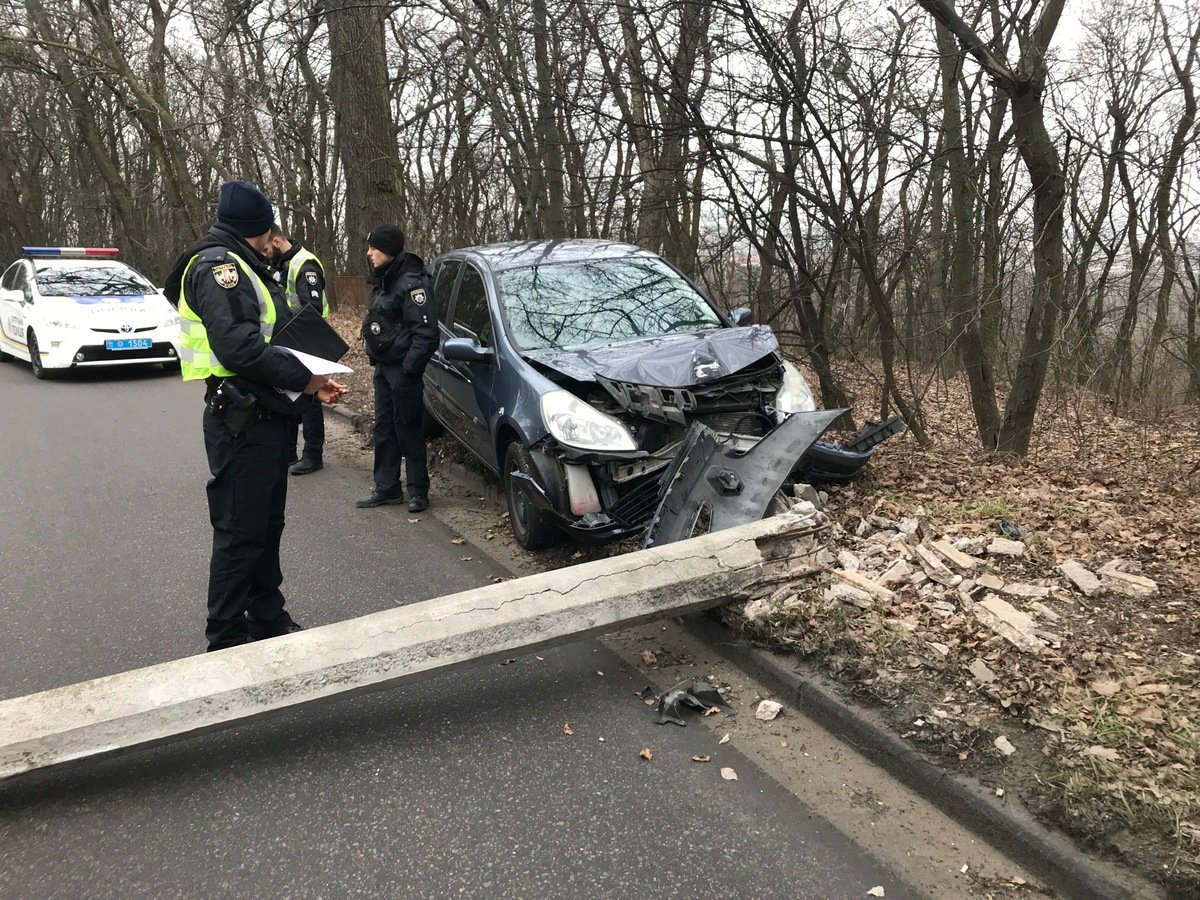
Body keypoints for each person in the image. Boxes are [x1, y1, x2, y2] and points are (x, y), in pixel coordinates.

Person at [164, 180, 346, 652]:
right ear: (258, 228)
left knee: (266, 526)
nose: (273, 240)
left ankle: (266, 616)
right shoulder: (219, 268)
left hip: (266, 414)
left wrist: (309, 380)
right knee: (240, 533)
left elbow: (272, 335)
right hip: (242, 420)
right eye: (269, 230)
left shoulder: (245, 263)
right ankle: (225, 640)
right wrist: (305, 379)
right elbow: (239, 348)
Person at [355, 223, 437, 513]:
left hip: (403, 370)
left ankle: (418, 491)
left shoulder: (412, 283)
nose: (369, 253)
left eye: (373, 248)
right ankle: (387, 487)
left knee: (408, 429)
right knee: (384, 428)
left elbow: (426, 335)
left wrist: (408, 370)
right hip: (384, 368)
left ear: (388, 250)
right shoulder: (384, 279)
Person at [265, 224, 330, 476]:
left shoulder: (304, 264)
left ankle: (313, 455)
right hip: (290, 339)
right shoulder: (282, 264)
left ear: (277, 242)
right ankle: (289, 452)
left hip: (308, 338)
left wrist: (286, 323)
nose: (265, 253)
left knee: (310, 398)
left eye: (268, 248)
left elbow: (311, 308)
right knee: (289, 393)